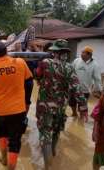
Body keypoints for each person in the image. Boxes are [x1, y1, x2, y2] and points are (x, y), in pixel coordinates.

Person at [35, 39, 88, 170]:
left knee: (45, 134)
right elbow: (76, 88)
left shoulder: (45, 63)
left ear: (54, 52)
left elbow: (37, 76)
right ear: (66, 53)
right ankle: (53, 153)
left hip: (44, 106)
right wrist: (83, 107)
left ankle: (47, 166)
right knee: (56, 132)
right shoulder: (70, 68)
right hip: (60, 107)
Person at [0, 41, 33, 170]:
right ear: (6, 51)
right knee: (14, 141)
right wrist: (27, 102)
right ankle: (11, 167)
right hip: (18, 109)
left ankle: (3, 158)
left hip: (0, 109)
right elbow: (29, 81)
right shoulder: (19, 62)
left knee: (2, 134)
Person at [70, 46, 102, 116]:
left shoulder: (95, 65)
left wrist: (98, 90)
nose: (81, 54)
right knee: (72, 102)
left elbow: (97, 79)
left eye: (83, 53)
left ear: (89, 55)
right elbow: (71, 71)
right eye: (81, 52)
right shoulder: (76, 61)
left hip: (85, 89)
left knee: (83, 105)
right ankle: (74, 113)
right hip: (74, 87)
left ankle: (81, 118)